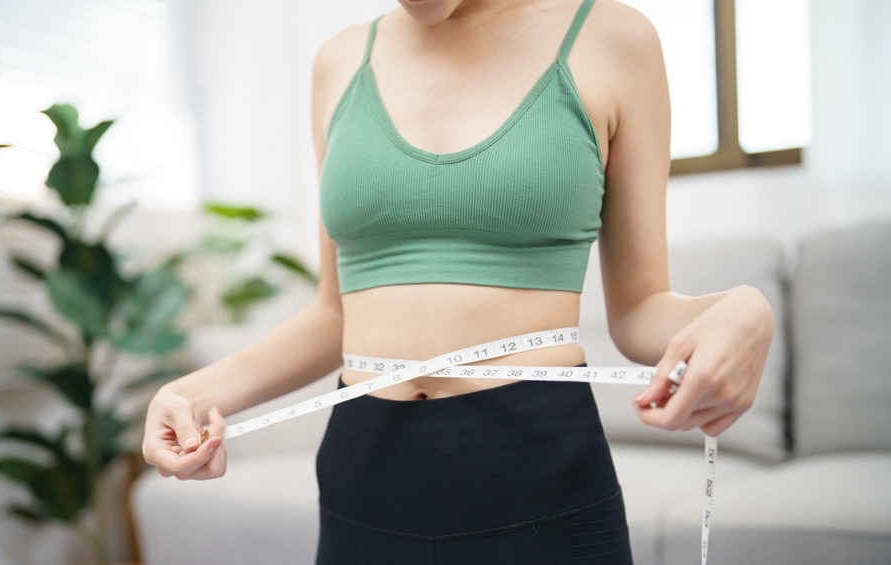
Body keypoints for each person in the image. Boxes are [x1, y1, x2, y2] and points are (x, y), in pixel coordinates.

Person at [142, 0, 775, 563]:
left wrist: (744, 309)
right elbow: (335, 314)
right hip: (361, 479)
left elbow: (639, 310)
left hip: (539, 476)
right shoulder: (339, 62)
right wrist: (193, 393)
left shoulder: (612, 38)